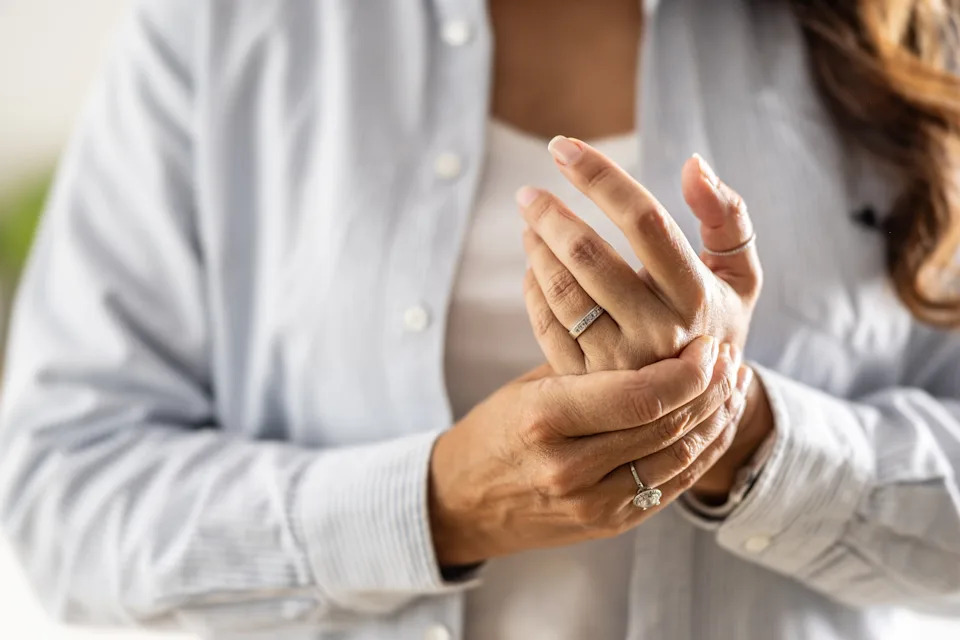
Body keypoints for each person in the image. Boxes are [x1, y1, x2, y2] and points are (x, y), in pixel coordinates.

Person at [1, 0, 959, 638]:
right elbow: (64, 490)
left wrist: (739, 432)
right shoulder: (225, 24)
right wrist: (440, 503)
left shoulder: (921, 36)